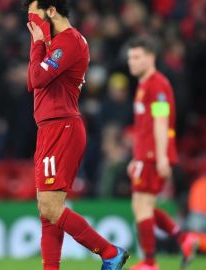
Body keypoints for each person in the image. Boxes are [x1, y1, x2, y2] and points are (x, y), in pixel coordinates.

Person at [23, 1, 129, 269]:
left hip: (61, 127)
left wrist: (37, 43)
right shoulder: (56, 44)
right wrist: (40, 43)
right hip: (50, 128)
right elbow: (32, 81)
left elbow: (36, 78)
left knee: (50, 208)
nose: (30, 21)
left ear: (51, 11)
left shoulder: (70, 41)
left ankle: (109, 252)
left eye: (33, 14)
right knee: (47, 211)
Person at [126, 36, 199, 270]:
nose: (132, 62)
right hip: (145, 154)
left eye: (137, 57)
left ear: (151, 57)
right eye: (130, 58)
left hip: (153, 155)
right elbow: (145, 127)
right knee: (142, 206)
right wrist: (136, 157)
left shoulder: (157, 85)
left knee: (142, 206)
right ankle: (183, 238)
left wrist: (162, 156)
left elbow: (161, 121)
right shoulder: (145, 84)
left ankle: (150, 263)